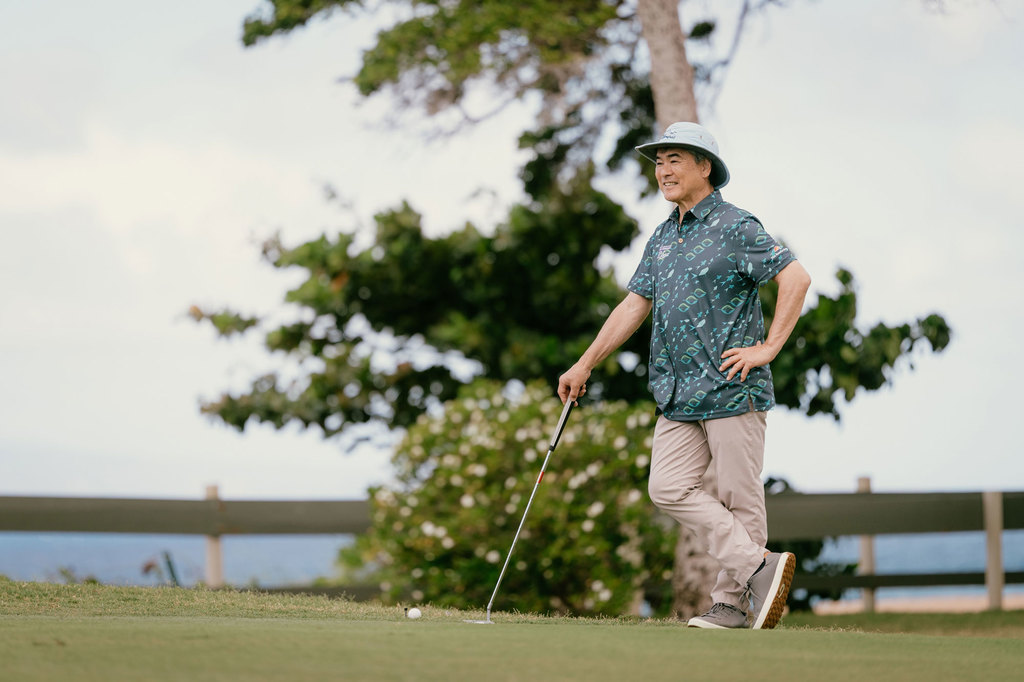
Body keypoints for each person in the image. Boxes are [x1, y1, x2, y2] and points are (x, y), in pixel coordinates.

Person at [558, 122, 811, 629]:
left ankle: (732, 605)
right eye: (658, 162)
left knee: (740, 499)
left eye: (674, 159)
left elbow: (796, 278)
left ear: (705, 167)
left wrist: (768, 348)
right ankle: (757, 567)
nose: (663, 171)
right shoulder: (662, 236)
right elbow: (634, 305)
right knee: (667, 487)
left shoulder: (737, 226)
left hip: (732, 386)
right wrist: (585, 363)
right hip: (677, 394)